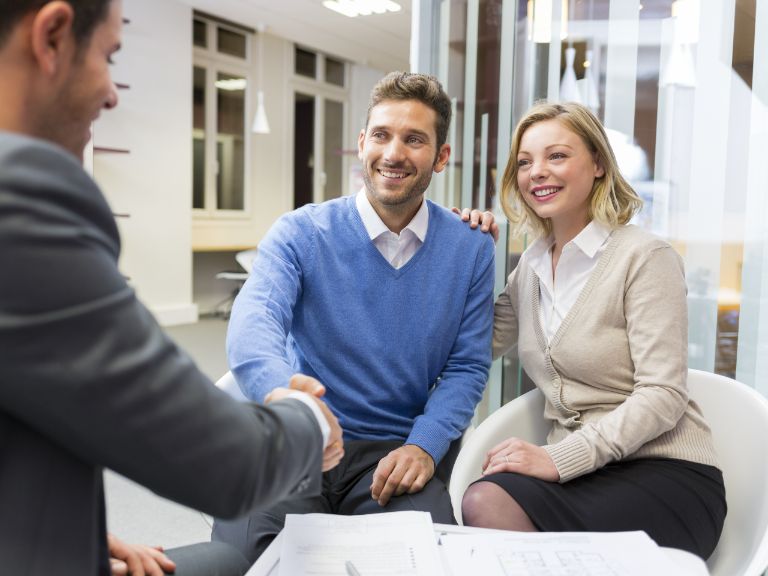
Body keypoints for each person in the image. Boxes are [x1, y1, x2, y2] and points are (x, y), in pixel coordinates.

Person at [0, 1, 344, 575]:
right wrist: (307, 415)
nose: (112, 93)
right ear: (53, 36)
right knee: (229, 562)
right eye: (108, 57)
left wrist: (88, 533)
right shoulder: (22, 198)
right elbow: (228, 465)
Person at [213, 71, 496, 562]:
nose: (394, 153)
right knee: (258, 557)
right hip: (303, 438)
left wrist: (425, 446)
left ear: (442, 157)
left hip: (395, 451)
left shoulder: (471, 249)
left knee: (428, 559)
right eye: (382, 135)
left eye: (415, 139)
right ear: (362, 142)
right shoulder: (301, 231)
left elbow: (468, 366)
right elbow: (254, 319)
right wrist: (284, 398)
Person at [460, 101, 726, 559]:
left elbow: (663, 393)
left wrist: (556, 459)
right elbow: (471, 343)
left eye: (557, 156)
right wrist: (459, 251)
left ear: (599, 164)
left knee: (488, 502)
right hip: (581, 477)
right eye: (525, 162)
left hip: (664, 472)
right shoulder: (532, 266)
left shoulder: (644, 257)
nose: (537, 172)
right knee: (484, 498)